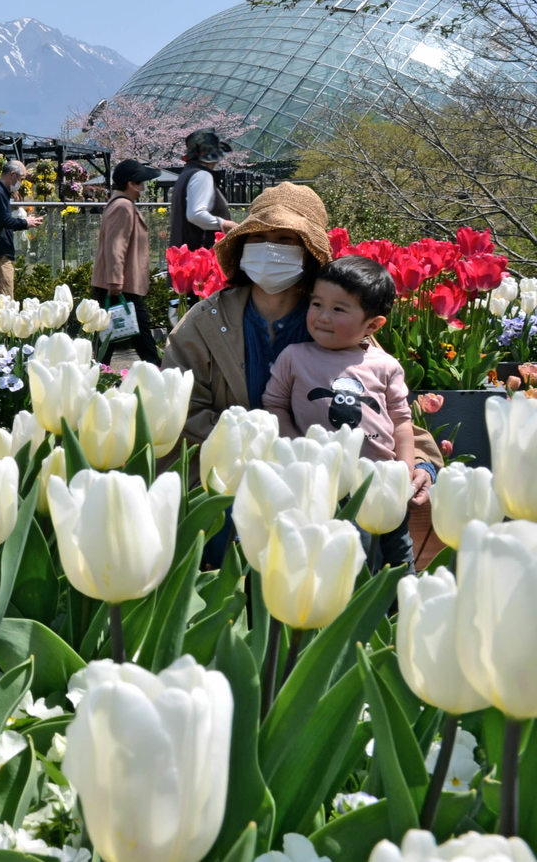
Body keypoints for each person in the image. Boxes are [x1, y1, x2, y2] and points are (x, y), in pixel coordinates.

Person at [161, 182, 438, 505]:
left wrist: (421, 461)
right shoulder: (206, 321)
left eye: (285, 240)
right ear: (243, 246)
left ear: (309, 253)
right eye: (258, 237)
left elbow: (380, 404)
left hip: (324, 487)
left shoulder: (334, 322)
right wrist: (266, 445)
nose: (269, 248)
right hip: (227, 484)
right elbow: (180, 409)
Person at [262, 254, 415, 570]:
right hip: (322, 479)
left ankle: (400, 610)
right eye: (316, 304)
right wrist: (295, 445)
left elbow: (401, 420)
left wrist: (406, 471)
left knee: (397, 555)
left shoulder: (385, 366)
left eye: (338, 309)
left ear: (372, 325)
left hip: (379, 480)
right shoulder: (294, 357)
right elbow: (274, 405)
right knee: (343, 558)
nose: (322, 316)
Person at [90, 158, 162, 366]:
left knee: (110, 338)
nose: (144, 188)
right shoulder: (123, 206)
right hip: (120, 286)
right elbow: (116, 245)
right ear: (132, 183)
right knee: (138, 336)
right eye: (142, 183)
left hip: (119, 284)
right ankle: (157, 374)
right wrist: (115, 281)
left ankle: (99, 376)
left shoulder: (120, 204)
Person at [0, 160, 43, 298]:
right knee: (5, 300)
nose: (21, 183)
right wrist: (26, 222)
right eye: (21, 179)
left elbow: (1, 222)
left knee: (1, 298)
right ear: (12, 174)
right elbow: (5, 221)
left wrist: (25, 222)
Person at [168, 129, 239, 251]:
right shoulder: (202, 175)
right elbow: (196, 215)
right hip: (201, 257)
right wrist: (225, 224)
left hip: (184, 256)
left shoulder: (186, 174)